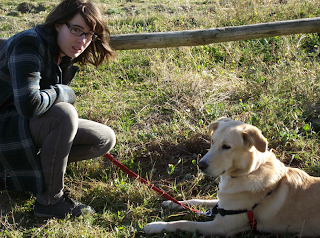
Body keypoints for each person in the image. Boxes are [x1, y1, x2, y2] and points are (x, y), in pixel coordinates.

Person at [0, 0, 116, 218]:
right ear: (57, 25)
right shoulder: (30, 43)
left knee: (104, 138)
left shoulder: (61, 52)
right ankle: (50, 201)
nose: (82, 41)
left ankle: (34, 174)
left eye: (89, 35)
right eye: (76, 30)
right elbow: (30, 105)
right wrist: (63, 92)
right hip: (5, 129)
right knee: (64, 115)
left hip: (16, 128)